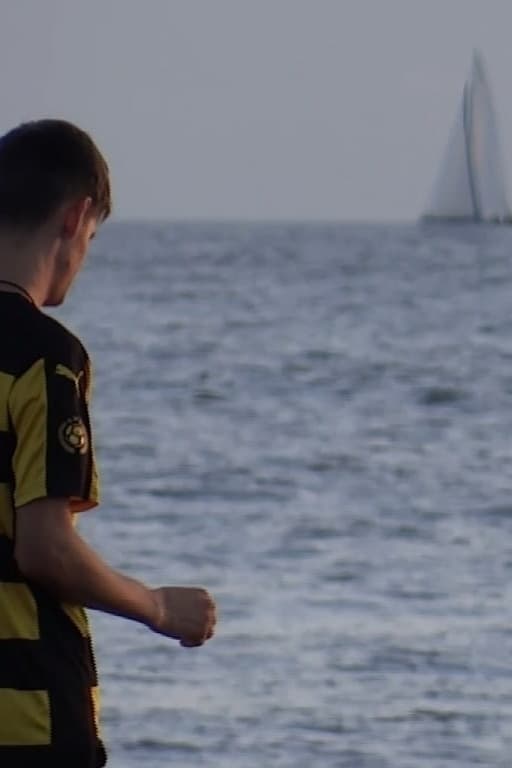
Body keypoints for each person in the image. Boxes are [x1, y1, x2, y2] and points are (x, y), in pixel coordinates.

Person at [0, 119, 217, 767]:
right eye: (92, 238)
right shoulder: (43, 358)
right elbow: (44, 548)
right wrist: (156, 607)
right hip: (29, 714)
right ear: (75, 217)